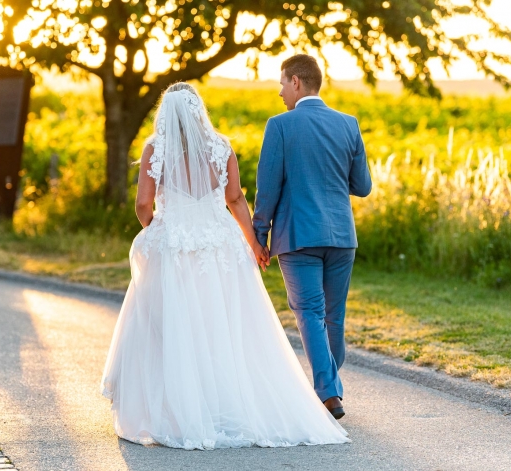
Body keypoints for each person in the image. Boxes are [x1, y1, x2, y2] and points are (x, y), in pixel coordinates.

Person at [101, 81, 349, 450]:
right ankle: (229, 406)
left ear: (166, 114)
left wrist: (156, 227)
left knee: (172, 326)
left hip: (177, 246)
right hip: (220, 245)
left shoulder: (156, 148)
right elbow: (235, 199)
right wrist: (254, 244)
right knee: (226, 326)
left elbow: (142, 204)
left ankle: (178, 410)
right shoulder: (221, 146)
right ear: (199, 110)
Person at [253, 54, 373, 419]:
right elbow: (363, 186)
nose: (279, 93)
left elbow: (267, 189)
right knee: (333, 316)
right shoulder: (349, 124)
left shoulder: (280, 126)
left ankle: (328, 394)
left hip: (298, 236)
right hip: (341, 235)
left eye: (281, 83)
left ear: (296, 82)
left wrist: (260, 235)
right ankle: (331, 386)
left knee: (309, 312)